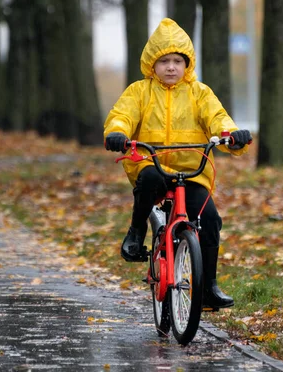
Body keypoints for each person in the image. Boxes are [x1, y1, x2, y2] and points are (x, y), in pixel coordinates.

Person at [103, 18, 252, 309]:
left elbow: (217, 118)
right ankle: (136, 233)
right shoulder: (139, 92)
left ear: (187, 65)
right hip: (150, 164)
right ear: (152, 65)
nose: (171, 67)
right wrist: (117, 133)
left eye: (177, 61)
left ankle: (208, 286)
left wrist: (231, 135)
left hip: (190, 172)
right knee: (149, 181)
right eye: (164, 61)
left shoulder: (199, 93)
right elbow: (122, 115)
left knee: (209, 219)